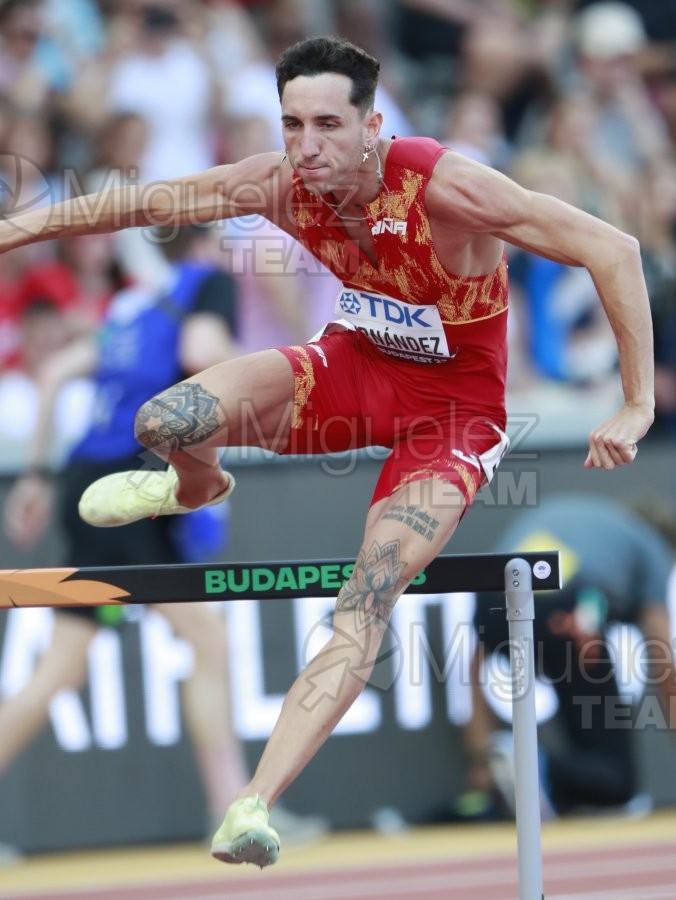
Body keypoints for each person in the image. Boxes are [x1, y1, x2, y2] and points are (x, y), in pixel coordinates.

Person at [0, 36, 654, 868]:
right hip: (353, 369)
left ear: (373, 125)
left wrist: (634, 402)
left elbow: (616, 248)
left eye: (328, 127)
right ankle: (194, 486)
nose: (307, 147)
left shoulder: (445, 185)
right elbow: (139, 204)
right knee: (166, 419)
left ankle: (252, 802)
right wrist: (15, 230)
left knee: (367, 593)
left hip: (452, 417)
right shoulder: (276, 181)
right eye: (292, 125)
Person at [1, 224, 328, 851]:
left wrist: (38, 475)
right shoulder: (207, 285)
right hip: (135, 488)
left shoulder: (134, 302)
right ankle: (236, 807)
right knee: (208, 640)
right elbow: (205, 352)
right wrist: (272, 375)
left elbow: (54, 376)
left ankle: (234, 805)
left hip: (81, 482)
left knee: (60, 670)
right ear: (209, 242)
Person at [464, 493, 676, 818]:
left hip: (490, 602)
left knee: (590, 766)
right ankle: (533, 767)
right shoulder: (652, 547)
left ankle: (516, 773)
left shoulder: (570, 513)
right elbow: (663, 665)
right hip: (569, 615)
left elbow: (475, 666)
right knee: (615, 778)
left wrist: (481, 757)